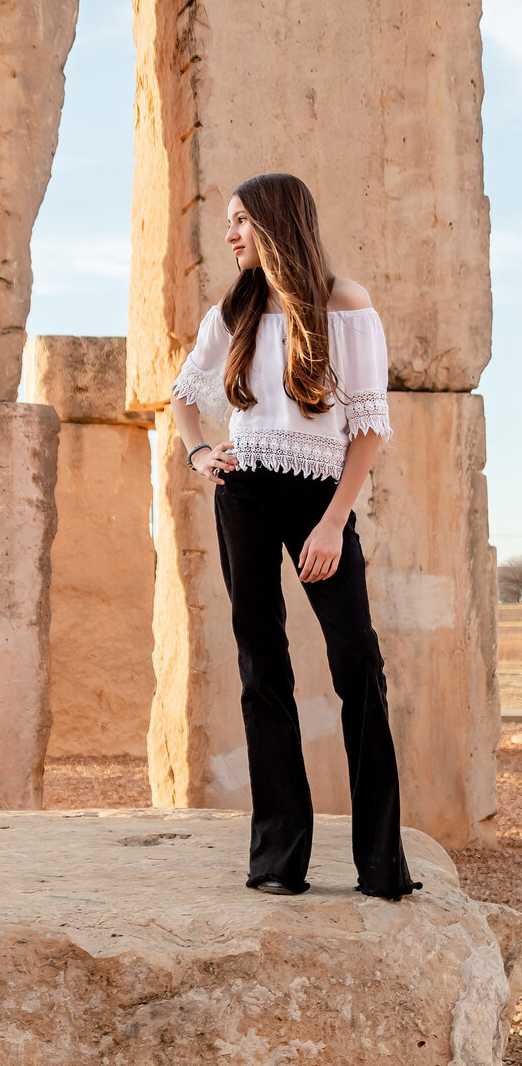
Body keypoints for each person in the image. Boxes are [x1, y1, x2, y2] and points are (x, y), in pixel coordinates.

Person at [169, 172, 423, 902]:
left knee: (357, 666)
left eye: (241, 221)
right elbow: (185, 396)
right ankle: (279, 858)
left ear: (276, 222)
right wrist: (200, 454)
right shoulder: (236, 310)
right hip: (243, 492)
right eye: (227, 223)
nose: (230, 235)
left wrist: (333, 520)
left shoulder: (345, 305)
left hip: (321, 496)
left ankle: (382, 865)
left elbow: (368, 428)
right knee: (262, 667)